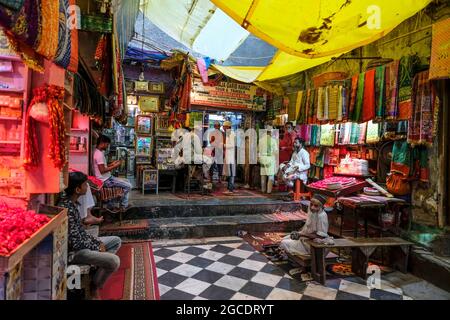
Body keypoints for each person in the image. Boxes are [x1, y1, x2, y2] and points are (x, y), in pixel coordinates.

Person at [58, 172, 121, 300]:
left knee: (116, 241)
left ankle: (96, 272)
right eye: (85, 185)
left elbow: (81, 232)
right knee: (114, 261)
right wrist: (96, 247)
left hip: (84, 244)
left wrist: (96, 243)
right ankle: (95, 285)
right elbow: (75, 242)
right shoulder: (67, 209)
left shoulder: (72, 204)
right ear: (77, 189)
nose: (87, 187)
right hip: (75, 253)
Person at [93, 135, 132, 211]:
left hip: (106, 178)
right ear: (103, 143)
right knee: (128, 186)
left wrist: (112, 164)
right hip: (105, 180)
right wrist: (115, 166)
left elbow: (102, 166)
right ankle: (115, 203)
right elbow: (102, 170)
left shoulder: (97, 152)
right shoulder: (99, 154)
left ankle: (119, 204)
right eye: (107, 144)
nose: (107, 146)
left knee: (127, 181)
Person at [258, 126, 279, 194]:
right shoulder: (273, 140)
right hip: (270, 158)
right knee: (270, 176)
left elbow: (258, 150)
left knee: (263, 175)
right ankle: (269, 191)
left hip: (262, 158)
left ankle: (263, 190)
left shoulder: (261, 140)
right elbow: (276, 151)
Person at [222, 120, 236, 194]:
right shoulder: (228, 134)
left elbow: (232, 145)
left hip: (230, 156)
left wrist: (223, 145)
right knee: (229, 173)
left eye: (224, 126)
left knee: (231, 173)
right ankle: (229, 188)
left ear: (228, 127)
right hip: (228, 156)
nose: (223, 127)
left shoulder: (231, 134)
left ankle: (230, 189)